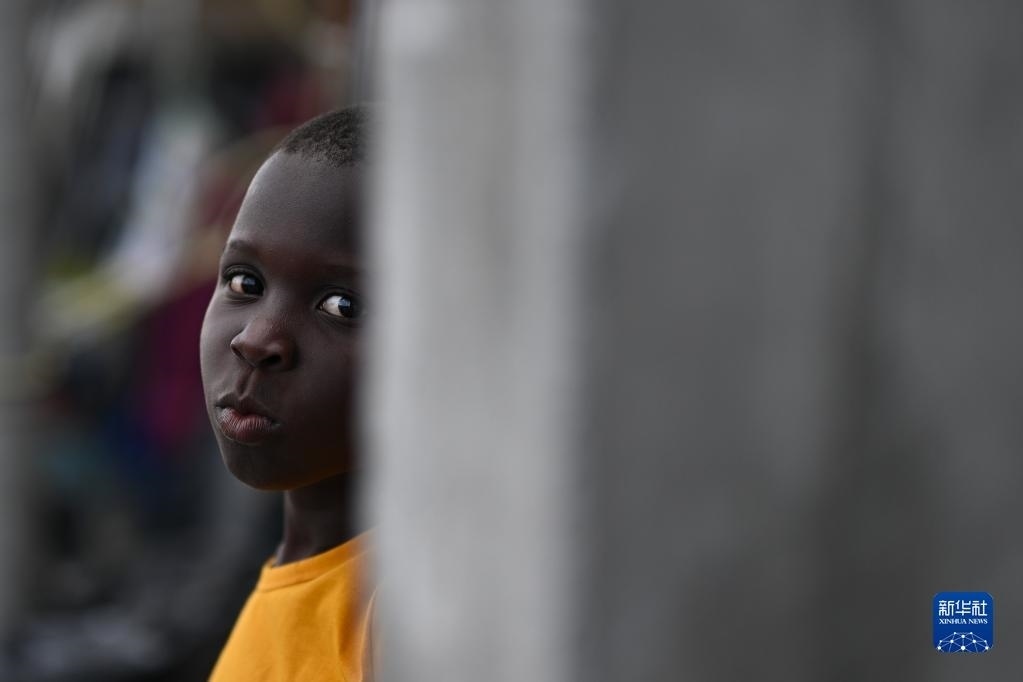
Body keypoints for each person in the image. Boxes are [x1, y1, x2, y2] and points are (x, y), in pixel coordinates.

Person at [199, 106, 375, 681]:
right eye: (245, 281)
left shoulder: (407, 616)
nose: (256, 340)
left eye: (343, 306)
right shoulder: (302, 575)